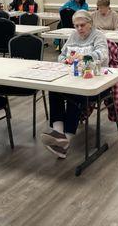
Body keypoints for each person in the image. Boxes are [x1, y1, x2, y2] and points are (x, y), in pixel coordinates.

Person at [41, 10, 108, 159]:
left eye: (82, 25)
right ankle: (58, 134)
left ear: (90, 24)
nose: (79, 29)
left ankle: (65, 141)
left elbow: (103, 54)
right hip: (74, 76)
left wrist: (85, 56)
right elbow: (62, 55)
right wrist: (65, 60)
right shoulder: (73, 36)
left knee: (75, 95)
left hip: (95, 81)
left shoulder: (98, 36)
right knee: (54, 89)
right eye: (76, 25)